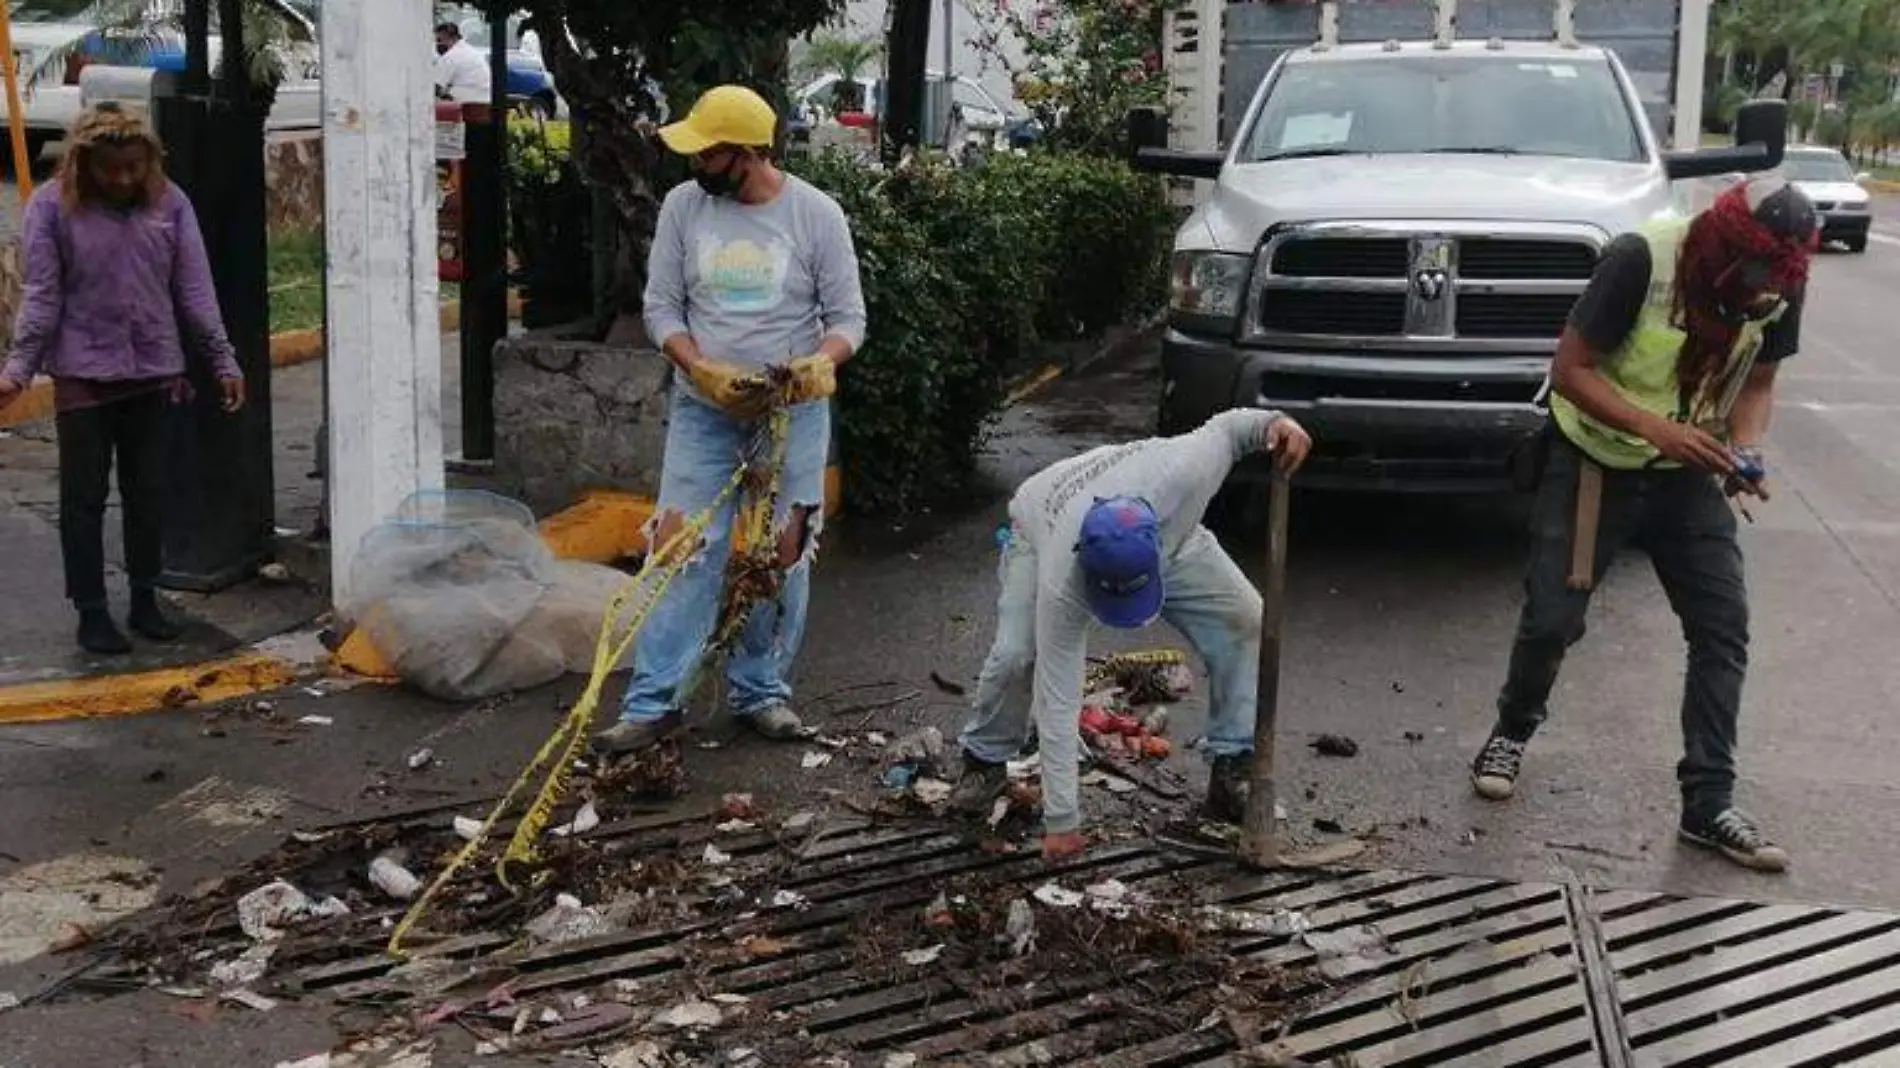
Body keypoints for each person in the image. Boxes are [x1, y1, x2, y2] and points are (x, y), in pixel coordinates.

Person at [1469, 175, 1817, 873]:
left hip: (1686, 471)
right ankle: (1513, 727)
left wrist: (1744, 451)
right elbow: (1571, 370)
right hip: (1594, 461)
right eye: (1747, 275)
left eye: (1770, 280)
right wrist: (1655, 429)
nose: (1757, 293)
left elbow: (1757, 384)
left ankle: (1708, 804)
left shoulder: (1782, 279)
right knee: (1551, 621)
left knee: (1722, 629)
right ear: (1720, 248)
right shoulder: (1641, 259)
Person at [594, 84, 867, 754]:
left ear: (747, 153)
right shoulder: (684, 209)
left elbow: (848, 320)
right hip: (703, 408)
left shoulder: (816, 216)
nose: (694, 165)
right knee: (682, 549)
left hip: (792, 413)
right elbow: (661, 308)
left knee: (783, 553)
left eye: (707, 154)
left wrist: (818, 364)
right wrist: (698, 367)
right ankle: (654, 703)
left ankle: (762, 692)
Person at [948, 409, 1314, 860]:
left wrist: (1275, 424)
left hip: (1174, 539)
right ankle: (983, 760)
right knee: (1018, 655)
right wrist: (1063, 820)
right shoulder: (1064, 576)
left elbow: (1233, 430)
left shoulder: (1187, 468)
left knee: (1248, 618)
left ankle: (1234, 767)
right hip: (1038, 520)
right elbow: (1058, 695)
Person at [0, 104, 245, 655]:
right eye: (110, 169)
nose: (122, 179)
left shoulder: (171, 204)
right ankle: (90, 610)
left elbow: (195, 292)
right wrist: (17, 370)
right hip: (83, 375)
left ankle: (144, 597)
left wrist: (223, 360)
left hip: (154, 371)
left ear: (149, 163)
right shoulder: (50, 208)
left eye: (134, 168)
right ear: (85, 165)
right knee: (83, 498)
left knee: (148, 494)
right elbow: (42, 295)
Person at [434, 22, 492, 104]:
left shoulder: (451, 56)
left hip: (467, 101)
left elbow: (436, 86)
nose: (438, 44)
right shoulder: (471, 51)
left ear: (453, 38)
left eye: (440, 40)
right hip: (486, 99)